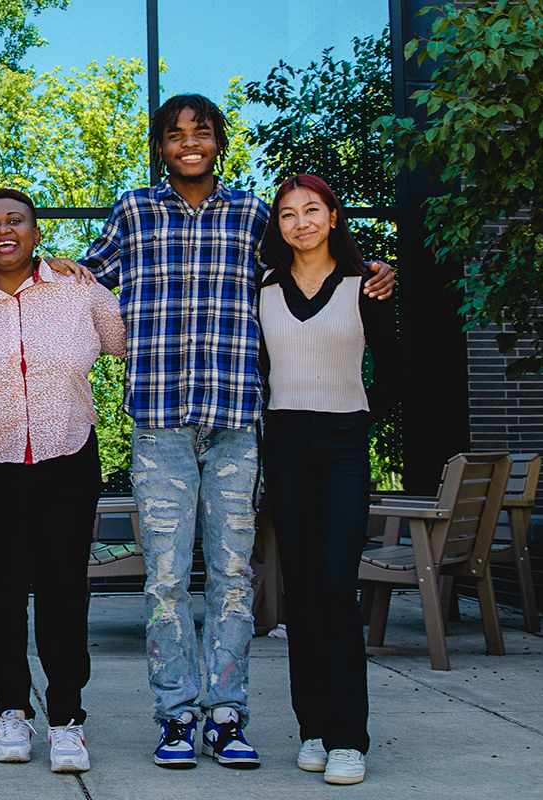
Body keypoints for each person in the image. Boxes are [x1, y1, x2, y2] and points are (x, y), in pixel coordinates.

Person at [70, 95, 395, 770]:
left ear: (218, 142)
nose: (190, 143)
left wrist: (378, 273)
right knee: (164, 580)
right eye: (175, 134)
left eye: (202, 132)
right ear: (161, 145)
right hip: (158, 421)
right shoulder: (134, 211)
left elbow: (311, 270)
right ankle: (176, 715)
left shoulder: (252, 216)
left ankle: (227, 714)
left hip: (236, 425)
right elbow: (82, 281)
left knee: (233, 577)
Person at [0, 188, 126, 774]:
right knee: (2, 593)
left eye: (15, 220)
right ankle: (11, 709)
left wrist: (96, 276)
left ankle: (66, 717)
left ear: (37, 232)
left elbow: (126, 340)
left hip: (66, 458)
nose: (2, 230)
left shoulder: (78, 289)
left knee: (64, 589)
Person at [258, 174, 395, 787]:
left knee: (337, 583)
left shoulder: (366, 285)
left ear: (334, 216)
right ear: (278, 226)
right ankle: (312, 727)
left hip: (342, 443)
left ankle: (348, 738)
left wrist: (361, 419)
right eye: (287, 214)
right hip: (284, 442)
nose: (301, 222)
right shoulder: (260, 286)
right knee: (303, 589)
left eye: (312, 210)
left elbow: (392, 367)